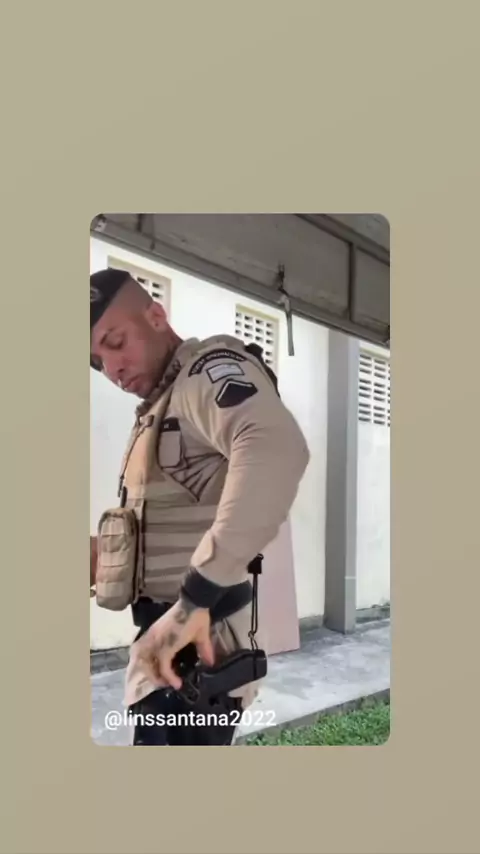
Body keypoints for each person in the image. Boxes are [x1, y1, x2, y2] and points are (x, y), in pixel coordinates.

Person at [90, 266, 310, 745]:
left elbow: (275, 447)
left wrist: (195, 600)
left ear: (156, 316)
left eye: (115, 342)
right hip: (167, 644)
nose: (112, 369)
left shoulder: (202, 373)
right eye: (97, 360)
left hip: (198, 648)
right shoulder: (161, 403)